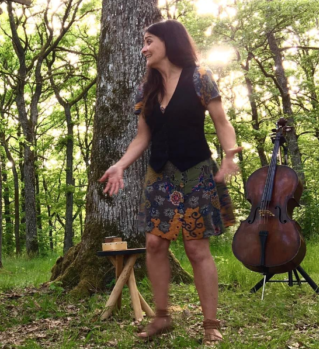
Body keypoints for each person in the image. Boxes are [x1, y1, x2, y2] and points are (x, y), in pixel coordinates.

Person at [99, 20, 241, 344]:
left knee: (195, 248)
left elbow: (222, 121)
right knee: (154, 244)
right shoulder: (146, 89)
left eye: (149, 41)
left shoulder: (199, 77)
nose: (143, 48)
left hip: (197, 171)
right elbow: (142, 137)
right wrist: (120, 165)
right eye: (143, 42)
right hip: (160, 173)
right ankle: (162, 318)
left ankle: (211, 324)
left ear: (168, 41)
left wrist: (231, 154)